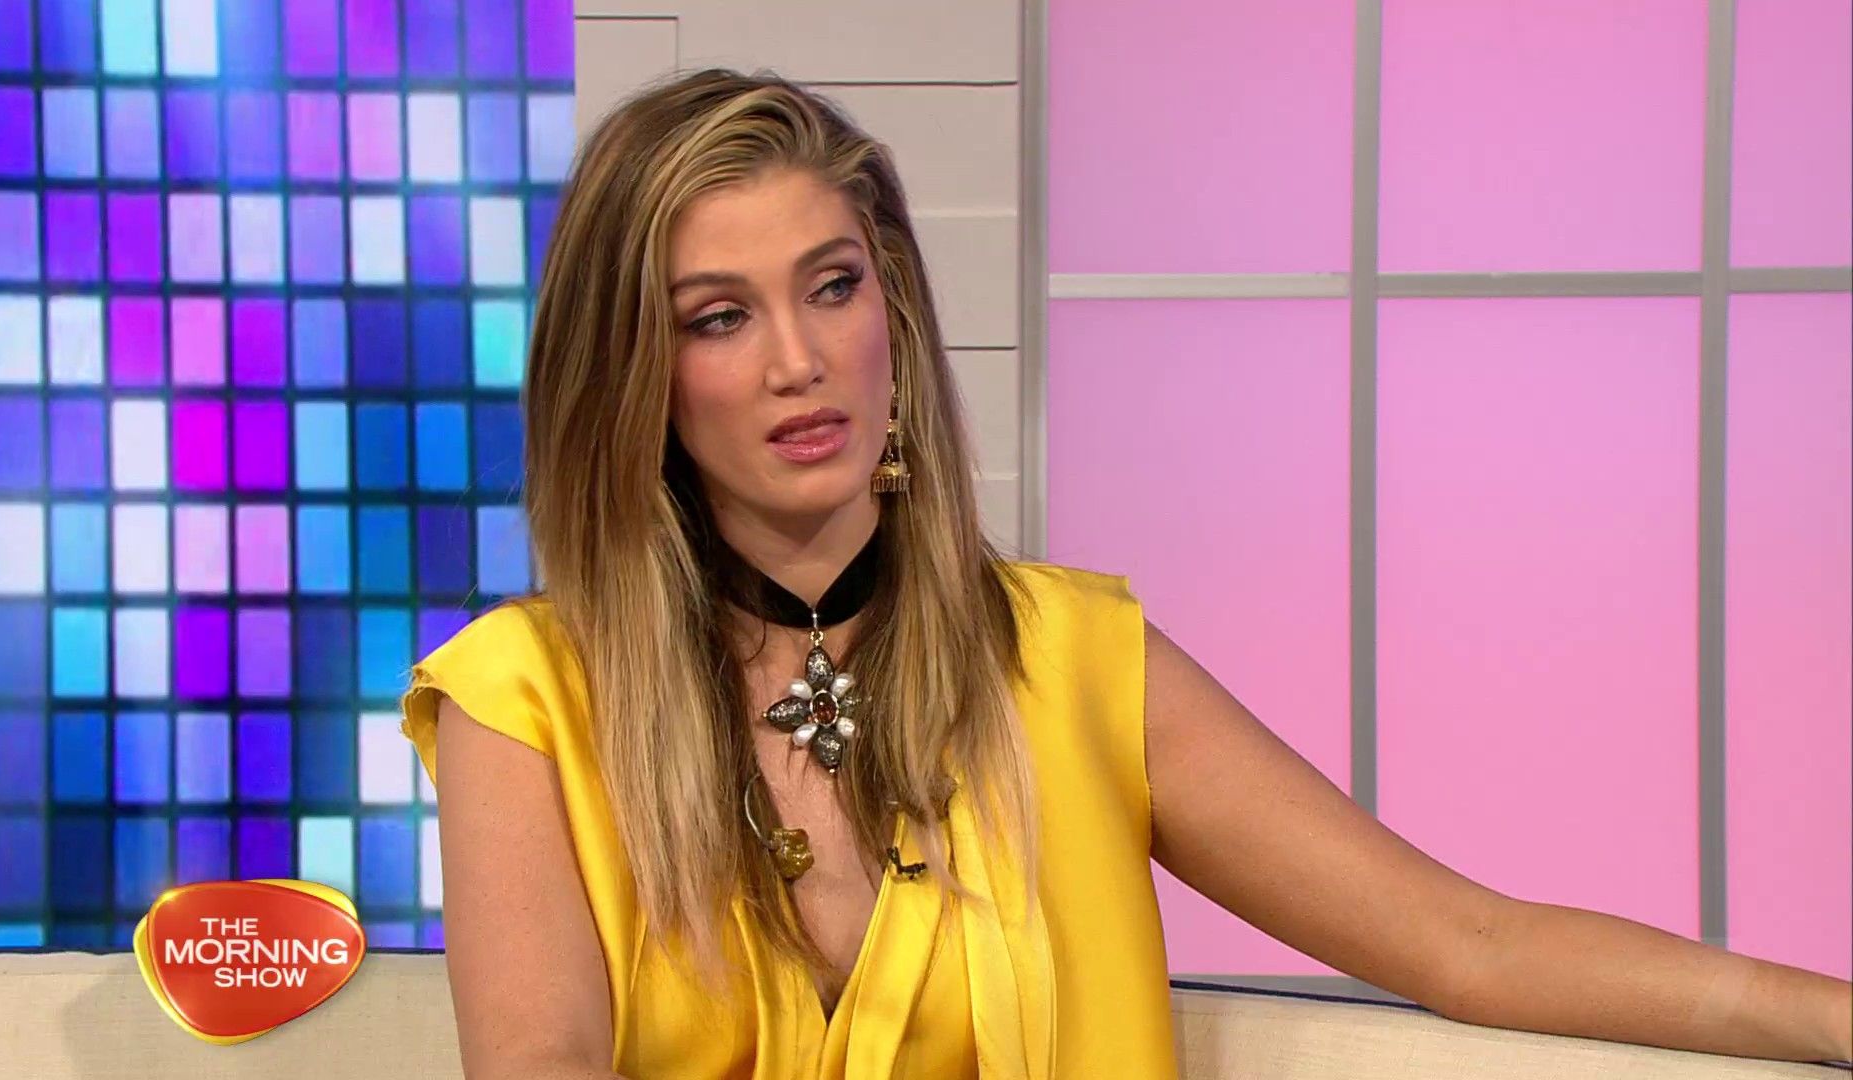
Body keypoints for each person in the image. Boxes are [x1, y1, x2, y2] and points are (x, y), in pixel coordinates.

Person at [398, 69, 1853, 1080]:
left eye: (833, 286)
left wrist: (1835, 1017)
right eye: (719, 316)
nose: (798, 360)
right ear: (637, 377)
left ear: (892, 313)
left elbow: (1468, 944)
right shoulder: (526, 703)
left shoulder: (1073, 661)